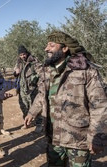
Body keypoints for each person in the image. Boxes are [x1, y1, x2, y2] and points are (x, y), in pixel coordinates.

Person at [24, 31, 107, 166]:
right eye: (47, 45)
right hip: (53, 137)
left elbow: (99, 106)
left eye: (51, 45)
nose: (46, 49)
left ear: (64, 48)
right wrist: (32, 112)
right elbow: (42, 95)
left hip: (78, 139)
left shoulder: (85, 70)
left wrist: (98, 137)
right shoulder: (47, 70)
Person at [13, 45, 42, 132]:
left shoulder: (33, 61)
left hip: (33, 89)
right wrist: (16, 73)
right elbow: (15, 73)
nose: (23, 56)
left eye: (24, 54)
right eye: (21, 55)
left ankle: (39, 124)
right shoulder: (18, 63)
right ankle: (28, 123)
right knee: (23, 106)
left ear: (26, 53)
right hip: (22, 89)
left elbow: (42, 73)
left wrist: (35, 78)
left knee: (35, 107)